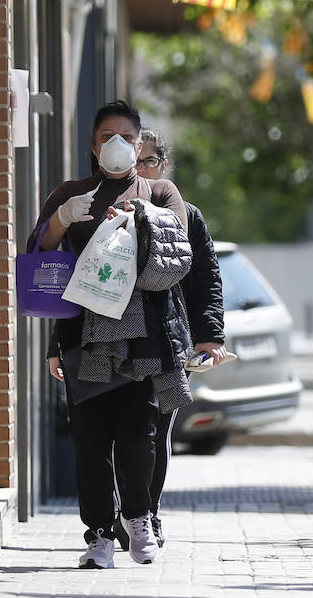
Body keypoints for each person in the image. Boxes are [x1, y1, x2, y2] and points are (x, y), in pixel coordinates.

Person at [32, 100, 194, 570]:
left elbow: (177, 255)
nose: (117, 145)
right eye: (107, 137)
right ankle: (99, 534)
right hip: (83, 332)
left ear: (141, 143)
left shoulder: (161, 190)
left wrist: (139, 217)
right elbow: (40, 261)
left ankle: (139, 518)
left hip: (144, 334)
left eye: (127, 136)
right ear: (92, 144)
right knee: (90, 437)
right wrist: (63, 217)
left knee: (138, 432)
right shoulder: (72, 193)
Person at [125, 129, 227, 548]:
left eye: (149, 162)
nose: (141, 171)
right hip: (119, 340)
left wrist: (209, 335)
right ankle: (124, 513)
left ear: (163, 168)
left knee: (155, 429)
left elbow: (207, 279)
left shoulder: (189, 216)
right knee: (122, 430)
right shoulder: (110, 213)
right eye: (134, 162)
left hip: (169, 340)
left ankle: (147, 512)